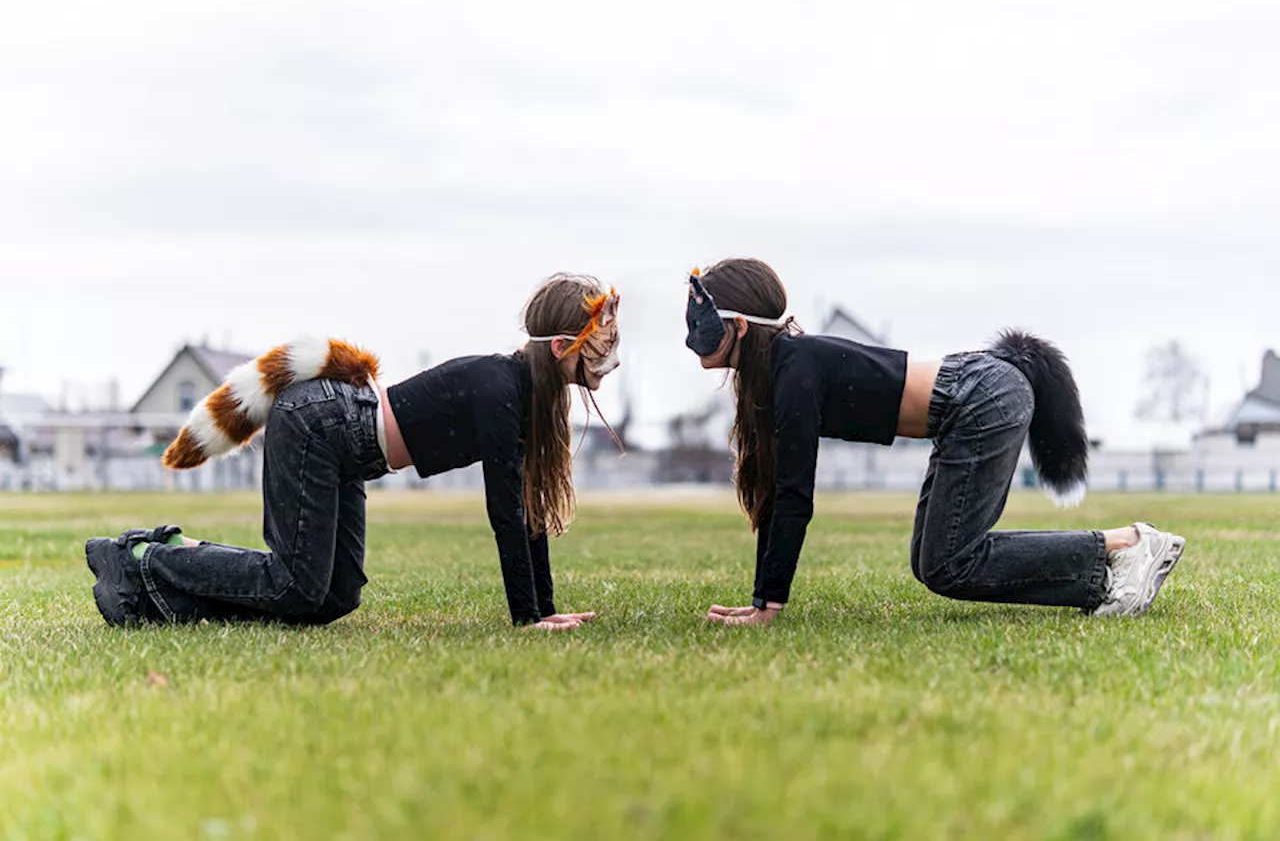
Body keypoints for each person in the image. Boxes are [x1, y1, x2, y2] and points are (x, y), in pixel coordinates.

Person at [86, 274, 621, 632]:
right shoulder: (501, 391)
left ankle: (170, 581)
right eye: (599, 351)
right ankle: (144, 557)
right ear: (559, 348)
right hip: (318, 425)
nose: (606, 369)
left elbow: (527, 511)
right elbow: (506, 511)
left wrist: (547, 612)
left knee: (335, 597)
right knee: (296, 585)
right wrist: (527, 620)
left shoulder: (523, 393)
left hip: (343, 445)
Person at [683, 258, 1185, 626]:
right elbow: (774, 494)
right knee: (934, 563)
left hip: (982, 398)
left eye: (703, 325)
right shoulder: (779, 373)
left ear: (740, 327)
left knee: (948, 562)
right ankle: (1112, 567)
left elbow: (795, 494)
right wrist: (760, 597)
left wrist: (769, 608)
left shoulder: (794, 371)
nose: (692, 339)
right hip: (969, 403)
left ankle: (1127, 546)